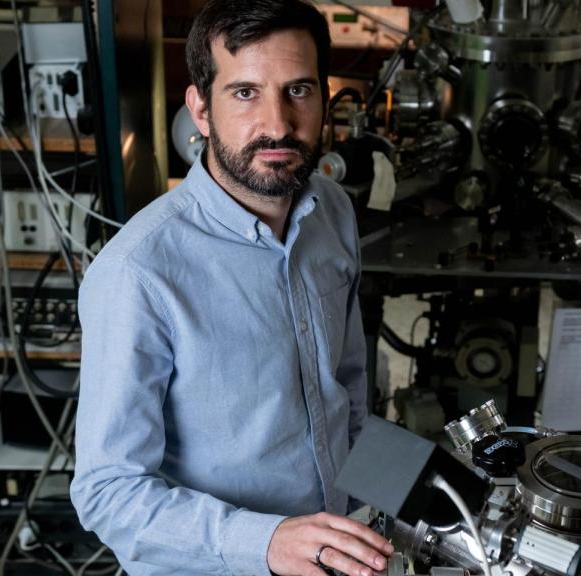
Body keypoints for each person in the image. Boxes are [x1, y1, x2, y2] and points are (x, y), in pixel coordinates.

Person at [70, 0, 392, 574]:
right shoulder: (139, 273)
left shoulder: (332, 213)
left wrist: (433, 497)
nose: (277, 123)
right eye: (245, 93)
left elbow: (346, 397)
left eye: (298, 90)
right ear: (200, 109)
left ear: (325, 96)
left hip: (340, 554)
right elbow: (108, 491)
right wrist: (266, 543)